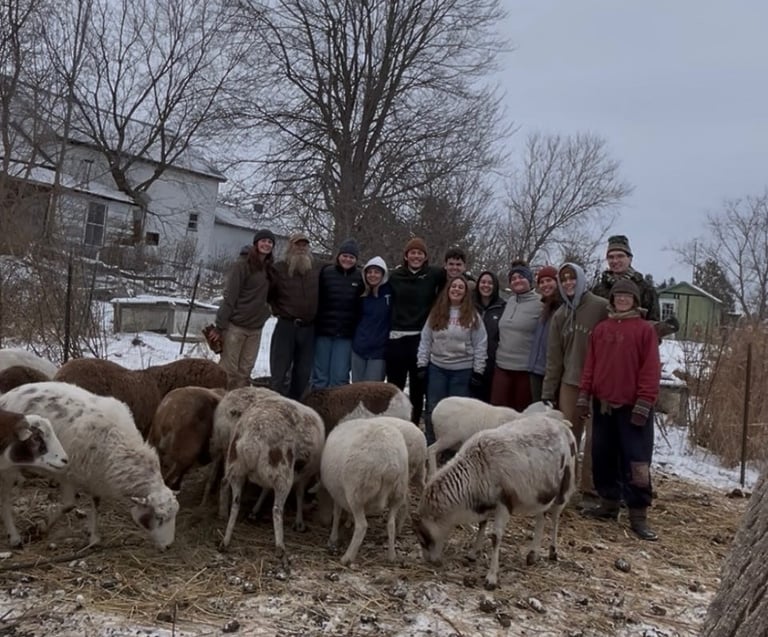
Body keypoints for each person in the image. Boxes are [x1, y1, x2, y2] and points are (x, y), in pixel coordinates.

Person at [577, 279, 661, 541]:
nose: (622, 300)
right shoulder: (601, 330)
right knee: (603, 456)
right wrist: (584, 394)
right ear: (612, 300)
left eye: (627, 296)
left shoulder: (645, 331)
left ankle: (638, 514)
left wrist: (644, 402)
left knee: (636, 461)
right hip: (604, 405)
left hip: (632, 407)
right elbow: (590, 364)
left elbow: (651, 369)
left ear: (635, 301)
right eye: (618, 296)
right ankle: (609, 503)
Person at [541, 263, 609, 497]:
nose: (569, 283)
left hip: (598, 384)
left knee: (594, 440)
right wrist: (548, 391)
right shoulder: (560, 315)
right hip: (570, 383)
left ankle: (590, 489)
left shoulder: (600, 307)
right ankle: (566, 486)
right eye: (564, 279)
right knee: (569, 437)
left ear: (580, 280)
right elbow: (554, 357)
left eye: (572, 278)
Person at [417, 277, 487, 445]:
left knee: (458, 412)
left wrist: (478, 370)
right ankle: (432, 443)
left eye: (460, 287)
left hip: (462, 370)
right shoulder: (436, 313)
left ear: (465, 293)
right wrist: (422, 364)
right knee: (434, 408)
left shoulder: (473, 316)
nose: (456, 289)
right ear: (447, 290)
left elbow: (480, 344)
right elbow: (426, 339)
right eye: (453, 286)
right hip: (437, 368)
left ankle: (454, 447)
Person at [386, 237, 446, 424]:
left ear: (425, 256)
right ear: (406, 255)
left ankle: (413, 424)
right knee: (395, 386)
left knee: (418, 387)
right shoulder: (395, 276)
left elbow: (454, 280)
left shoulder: (434, 274)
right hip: (397, 337)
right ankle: (395, 421)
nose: (416, 256)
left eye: (420, 253)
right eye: (413, 252)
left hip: (420, 338)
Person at [213, 229, 275, 388]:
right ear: (256, 243)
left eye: (270, 242)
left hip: (255, 329)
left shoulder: (270, 269)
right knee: (229, 370)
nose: (266, 244)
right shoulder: (242, 265)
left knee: (245, 372)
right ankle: (219, 402)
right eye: (263, 241)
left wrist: (267, 312)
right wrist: (220, 326)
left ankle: (237, 406)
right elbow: (230, 297)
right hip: (236, 326)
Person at [592, 234, 679, 338]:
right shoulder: (598, 290)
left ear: (630, 258)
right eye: (611, 257)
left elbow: (654, 331)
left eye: (620, 256)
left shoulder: (646, 290)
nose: (615, 261)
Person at [269, 232, 320, 399]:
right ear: (290, 246)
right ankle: (275, 405)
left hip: (308, 328)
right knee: (279, 371)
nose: (301, 248)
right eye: (298, 244)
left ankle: (296, 404)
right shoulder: (279, 269)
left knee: (303, 373)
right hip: (287, 326)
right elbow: (268, 295)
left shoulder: (316, 270)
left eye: (304, 245)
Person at [312, 238, 363, 388]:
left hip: (346, 334)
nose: (347, 259)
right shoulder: (326, 273)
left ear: (356, 259)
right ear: (338, 256)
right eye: (345, 256)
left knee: (339, 376)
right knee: (320, 375)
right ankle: (318, 405)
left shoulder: (360, 277)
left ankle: (337, 408)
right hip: (324, 331)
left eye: (351, 257)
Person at [490, 260, 540, 411]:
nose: (517, 280)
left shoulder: (541, 303)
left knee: (520, 415)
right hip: (502, 366)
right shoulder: (509, 301)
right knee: (497, 412)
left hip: (524, 370)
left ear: (529, 280)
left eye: (521, 277)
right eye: (513, 278)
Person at [351, 256, 393, 382]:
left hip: (379, 351)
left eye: (376, 272)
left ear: (383, 274)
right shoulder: (361, 293)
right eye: (369, 272)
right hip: (359, 347)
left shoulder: (390, 292)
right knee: (356, 388)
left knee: (372, 390)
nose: (372, 275)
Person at [527, 265, 561, 403]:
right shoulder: (544, 308)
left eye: (549, 280)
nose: (545, 285)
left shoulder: (562, 309)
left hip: (552, 373)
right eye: (541, 282)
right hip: (536, 369)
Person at [470, 270, 506, 402]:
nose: (486, 285)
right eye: (483, 282)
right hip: (469, 361)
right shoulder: (469, 305)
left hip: (492, 364)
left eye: (490, 283)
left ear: (495, 286)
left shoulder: (503, 307)